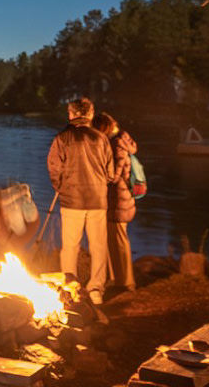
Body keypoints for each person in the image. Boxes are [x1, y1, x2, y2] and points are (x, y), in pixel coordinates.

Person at [45, 96, 116, 304]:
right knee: (98, 246)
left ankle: (70, 288)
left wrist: (62, 187)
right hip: (97, 199)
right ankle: (96, 290)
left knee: (70, 246)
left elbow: (53, 168)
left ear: (71, 114)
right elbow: (111, 173)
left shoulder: (62, 138)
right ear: (90, 114)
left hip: (71, 200)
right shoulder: (101, 138)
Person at [92, 112, 138, 293]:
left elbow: (114, 176)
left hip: (118, 199)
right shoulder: (120, 140)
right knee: (114, 239)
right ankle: (118, 278)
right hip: (119, 198)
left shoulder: (117, 144)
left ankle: (126, 282)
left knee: (119, 240)